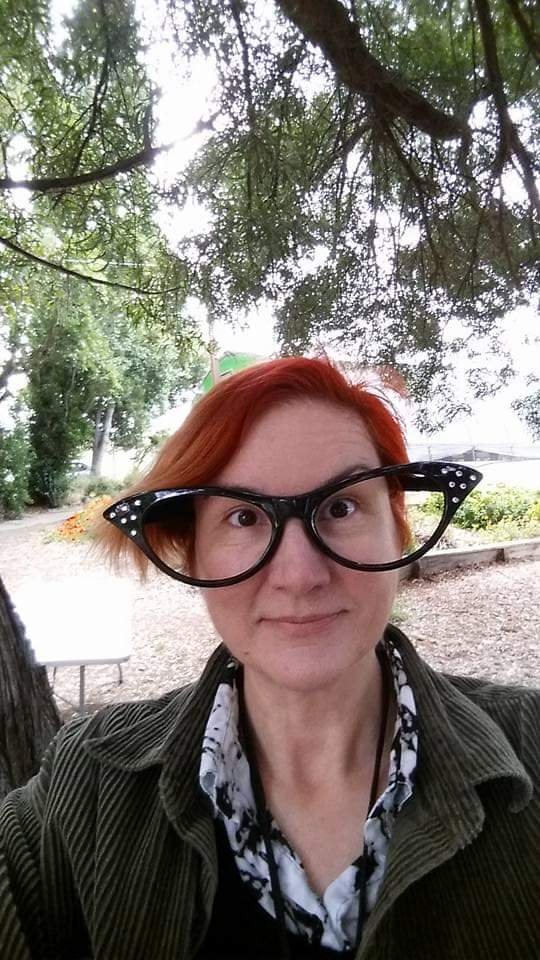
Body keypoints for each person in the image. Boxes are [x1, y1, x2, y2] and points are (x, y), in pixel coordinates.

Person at [0, 356, 538, 960]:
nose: (300, 575)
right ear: (194, 552)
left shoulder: (532, 744)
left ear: (397, 524)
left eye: (341, 507)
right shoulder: (92, 782)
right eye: (244, 517)